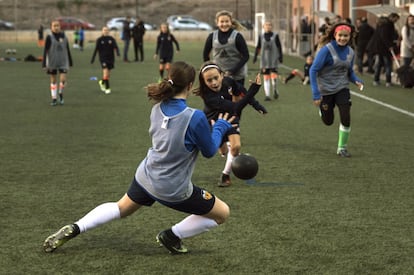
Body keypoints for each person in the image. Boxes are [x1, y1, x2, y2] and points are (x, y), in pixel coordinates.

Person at [43, 61, 236, 255]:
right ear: (189, 86)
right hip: (173, 188)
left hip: (146, 175)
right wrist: (220, 126)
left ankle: (77, 227)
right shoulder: (195, 117)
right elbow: (210, 151)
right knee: (222, 213)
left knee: (121, 208)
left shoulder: (156, 109)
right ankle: (172, 235)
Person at [193, 61, 264, 187]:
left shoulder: (228, 82)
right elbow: (236, 107)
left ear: (222, 75)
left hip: (230, 117)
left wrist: (256, 105)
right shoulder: (208, 97)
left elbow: (241, 92)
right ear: (203, 81)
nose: (214, 82)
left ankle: (225, 175)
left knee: (236, 147)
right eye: (209, 80)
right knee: (223, 151)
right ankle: (228, 153)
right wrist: (254, 89)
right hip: (214, 121)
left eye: (216, 78)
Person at [309, 23, 363, 157]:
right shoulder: (326, 50)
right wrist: (316, 94)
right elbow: (313, 70)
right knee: (328, 121)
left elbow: (349, 72)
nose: (343, 38)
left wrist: (356, 80)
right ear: (335, 35)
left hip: (342, 88)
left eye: (346, 36)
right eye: (340, 35)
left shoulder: (350, 52)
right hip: (325, 90)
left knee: (346, 116)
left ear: (350, 37)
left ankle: (342, 148)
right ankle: (323, 110)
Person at [202, 10, 250, 86]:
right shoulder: (212, 37)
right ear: (217, 23)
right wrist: (211, 69)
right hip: (219, 77)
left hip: (237, 76)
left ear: (231, 22)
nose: (224, 24)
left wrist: (232, 71)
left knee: (236, 97)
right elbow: (205, 55)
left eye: (227, 21)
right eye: (222, 22)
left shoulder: (237, 36)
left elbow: (246, 56)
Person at [42, 20, 73, 106]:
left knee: (63, 79)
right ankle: (54, 98)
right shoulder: (49, 37)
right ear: (51, 27)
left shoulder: (64, 36)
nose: (56, 27)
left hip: (63, 61)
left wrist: (70, 61)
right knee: (53, 79)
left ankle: (61, 93)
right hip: (52, 61)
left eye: (57, 26)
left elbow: (67, 49)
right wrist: (44, 63)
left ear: (60, 26)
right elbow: (45, 50)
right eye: (54, 26)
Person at [367, 13, 400, 87]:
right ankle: (388, 81)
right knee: (388, 64)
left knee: (379, 64)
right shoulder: (388, 24)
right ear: (392, 17)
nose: (396, 21)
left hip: (379, 47)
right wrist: (390, 46)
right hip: (384, 48)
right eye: (396, 19)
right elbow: (384, 36)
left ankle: (376, 80)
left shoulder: (381, 23)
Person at [253, 21, 283, 101]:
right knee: (266, 77)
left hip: (273, 59)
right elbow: (258, 46)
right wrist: (255, 56)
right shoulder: (261, 36)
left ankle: (275, 89)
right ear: (263, 27)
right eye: (266, 25)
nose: (268, 26)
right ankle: (267, 95)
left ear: (271, 27)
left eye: (270, 25)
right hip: (264, 60)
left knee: (273, 76)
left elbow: (279, 46)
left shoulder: (275, 35)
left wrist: (280, 57)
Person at [91, 26, 120, 95]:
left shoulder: (111, 39)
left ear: (108, 31)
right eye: (104, 30)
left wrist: (118, 53)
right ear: (102, 31)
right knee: (106, 73)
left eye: (107, 30)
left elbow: (116, 47)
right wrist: (93, 58)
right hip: (103, 59)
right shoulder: (99, 40)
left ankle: (102, 82)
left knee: (108, 75)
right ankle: (107, 88)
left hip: (111, 59)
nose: (105, 31)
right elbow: (96, 50)